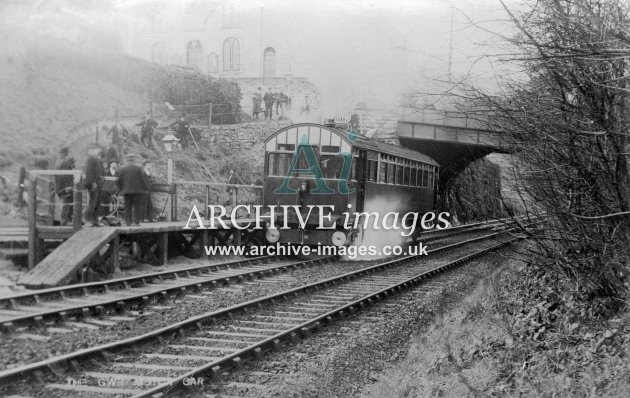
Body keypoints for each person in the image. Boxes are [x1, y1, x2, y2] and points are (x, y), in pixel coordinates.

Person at [117, 154, 151, 226]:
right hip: (137, 191)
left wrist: (119, 189)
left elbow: (119, 180)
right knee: (137, 207)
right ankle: (136, 222)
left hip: (126, 191)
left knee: (127, 207)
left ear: (127, 160)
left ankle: (128, 222)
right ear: (134, 160)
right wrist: (146, 188)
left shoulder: (123, 169)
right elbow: (143, 179)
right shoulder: (138, 168)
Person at [84, 147, 105, 227]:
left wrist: (102, 178)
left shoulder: (99, 160)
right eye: (97, 150)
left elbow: (101, 171)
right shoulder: (91, 159)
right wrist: (92, 182)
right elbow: (89, 172)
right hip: (93, 184)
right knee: (92, 203)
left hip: (99, 184)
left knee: (97, 203)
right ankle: (88, 220)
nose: (99, 152)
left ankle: (95, 220)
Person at [54, 156, 75, 226]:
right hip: (64, 188)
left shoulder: (59, 161)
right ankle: (64, 222)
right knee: (67, 201)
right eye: (73, 163)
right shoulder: (65, 164)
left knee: (69, 202)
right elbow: (65, 175)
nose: (74, 165)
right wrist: (68, 186)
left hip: (60, 187)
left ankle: (68, 220)